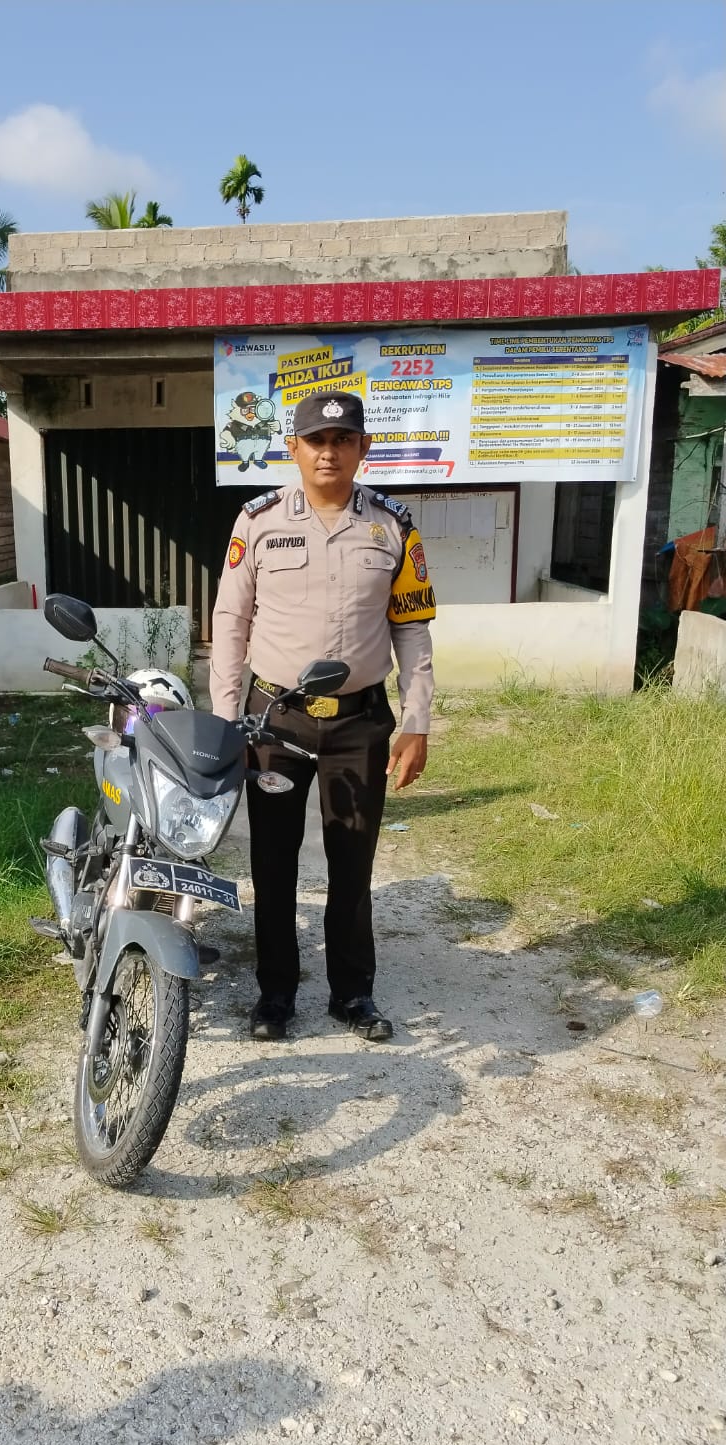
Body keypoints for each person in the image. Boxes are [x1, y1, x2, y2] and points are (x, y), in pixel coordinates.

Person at [209, 388, 436, 1043]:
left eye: (342, 440)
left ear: (363, 448)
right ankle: (275, 995)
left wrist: (416, 720)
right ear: (295, 449)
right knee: (273, 864)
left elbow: (413, 630)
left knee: (351, 862)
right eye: (316, 440)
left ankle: (351, 994)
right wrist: (227, 721)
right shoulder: (258, 522)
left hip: (359, 723)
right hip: (275, 719)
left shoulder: (393, 526)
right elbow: (230, 623)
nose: (328, 451)